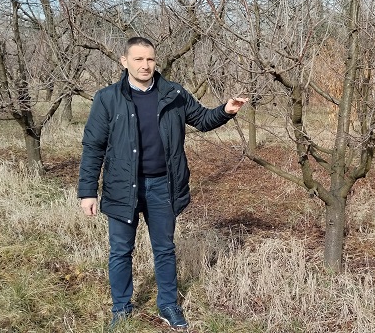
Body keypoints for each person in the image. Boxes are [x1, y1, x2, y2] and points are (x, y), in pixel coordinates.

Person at [78, 37, 248, 329]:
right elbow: (93, 146)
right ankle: (121, 308)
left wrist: (226, 110)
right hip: (122, 186)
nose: (145, 65)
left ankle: (168, 305)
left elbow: (202, 119)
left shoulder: (173, 93)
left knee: (165, 248)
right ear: (124, 61)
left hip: (163, 186)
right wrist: (87, 191)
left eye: (150, 59)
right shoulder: (107, 98)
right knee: (120, 251)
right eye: (138, 59)